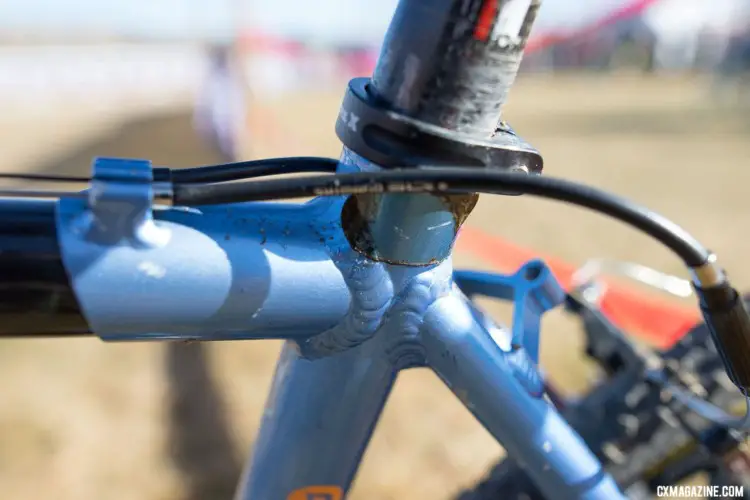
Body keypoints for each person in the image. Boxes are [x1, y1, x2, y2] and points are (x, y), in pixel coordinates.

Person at [193, 43, 249, 163]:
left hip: (228, 123)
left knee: (229, 151)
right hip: (223, 123)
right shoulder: (214, 78)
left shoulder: (230, 77)